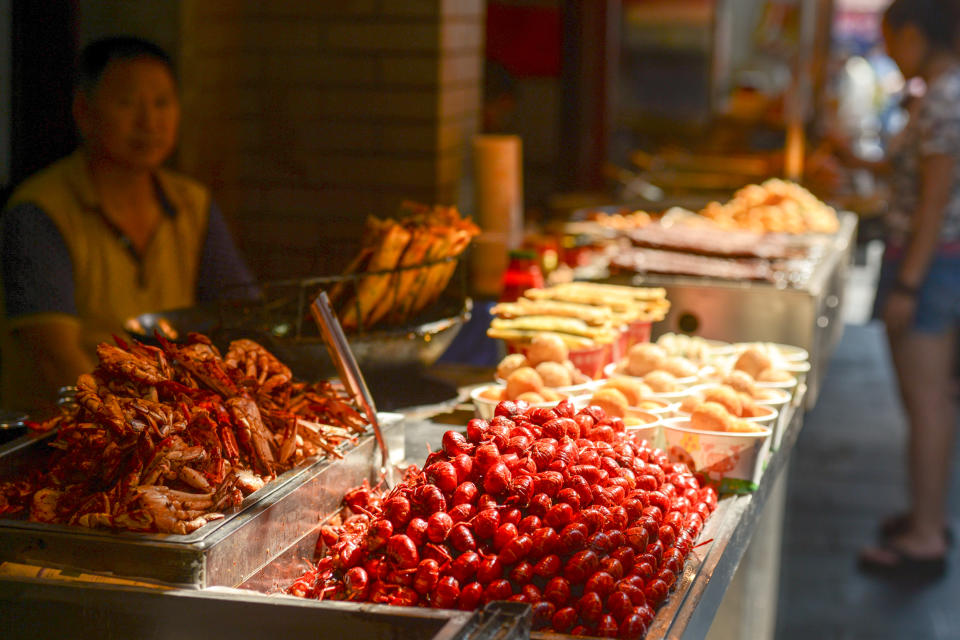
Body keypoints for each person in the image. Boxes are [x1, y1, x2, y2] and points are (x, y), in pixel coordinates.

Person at [0, 36, 255, 412]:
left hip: (167, 423)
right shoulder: (39, 210)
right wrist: (139, 420)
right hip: (62, 433)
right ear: (84, 111)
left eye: (162, 103)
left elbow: (242, 314)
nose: (149, 121)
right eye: (127, 103)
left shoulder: (191, 203)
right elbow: (54, 358)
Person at [851, 0, 960, 580]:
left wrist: (908, 285)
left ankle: (925, 536)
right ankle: (925, 518)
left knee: (927, 402)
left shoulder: (945, 98)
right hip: (934, 262)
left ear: (914, 34)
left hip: (931, 266)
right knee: (931, 399)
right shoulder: (937, 93)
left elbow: (935, 203)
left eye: (890, 36)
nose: (888, 49)